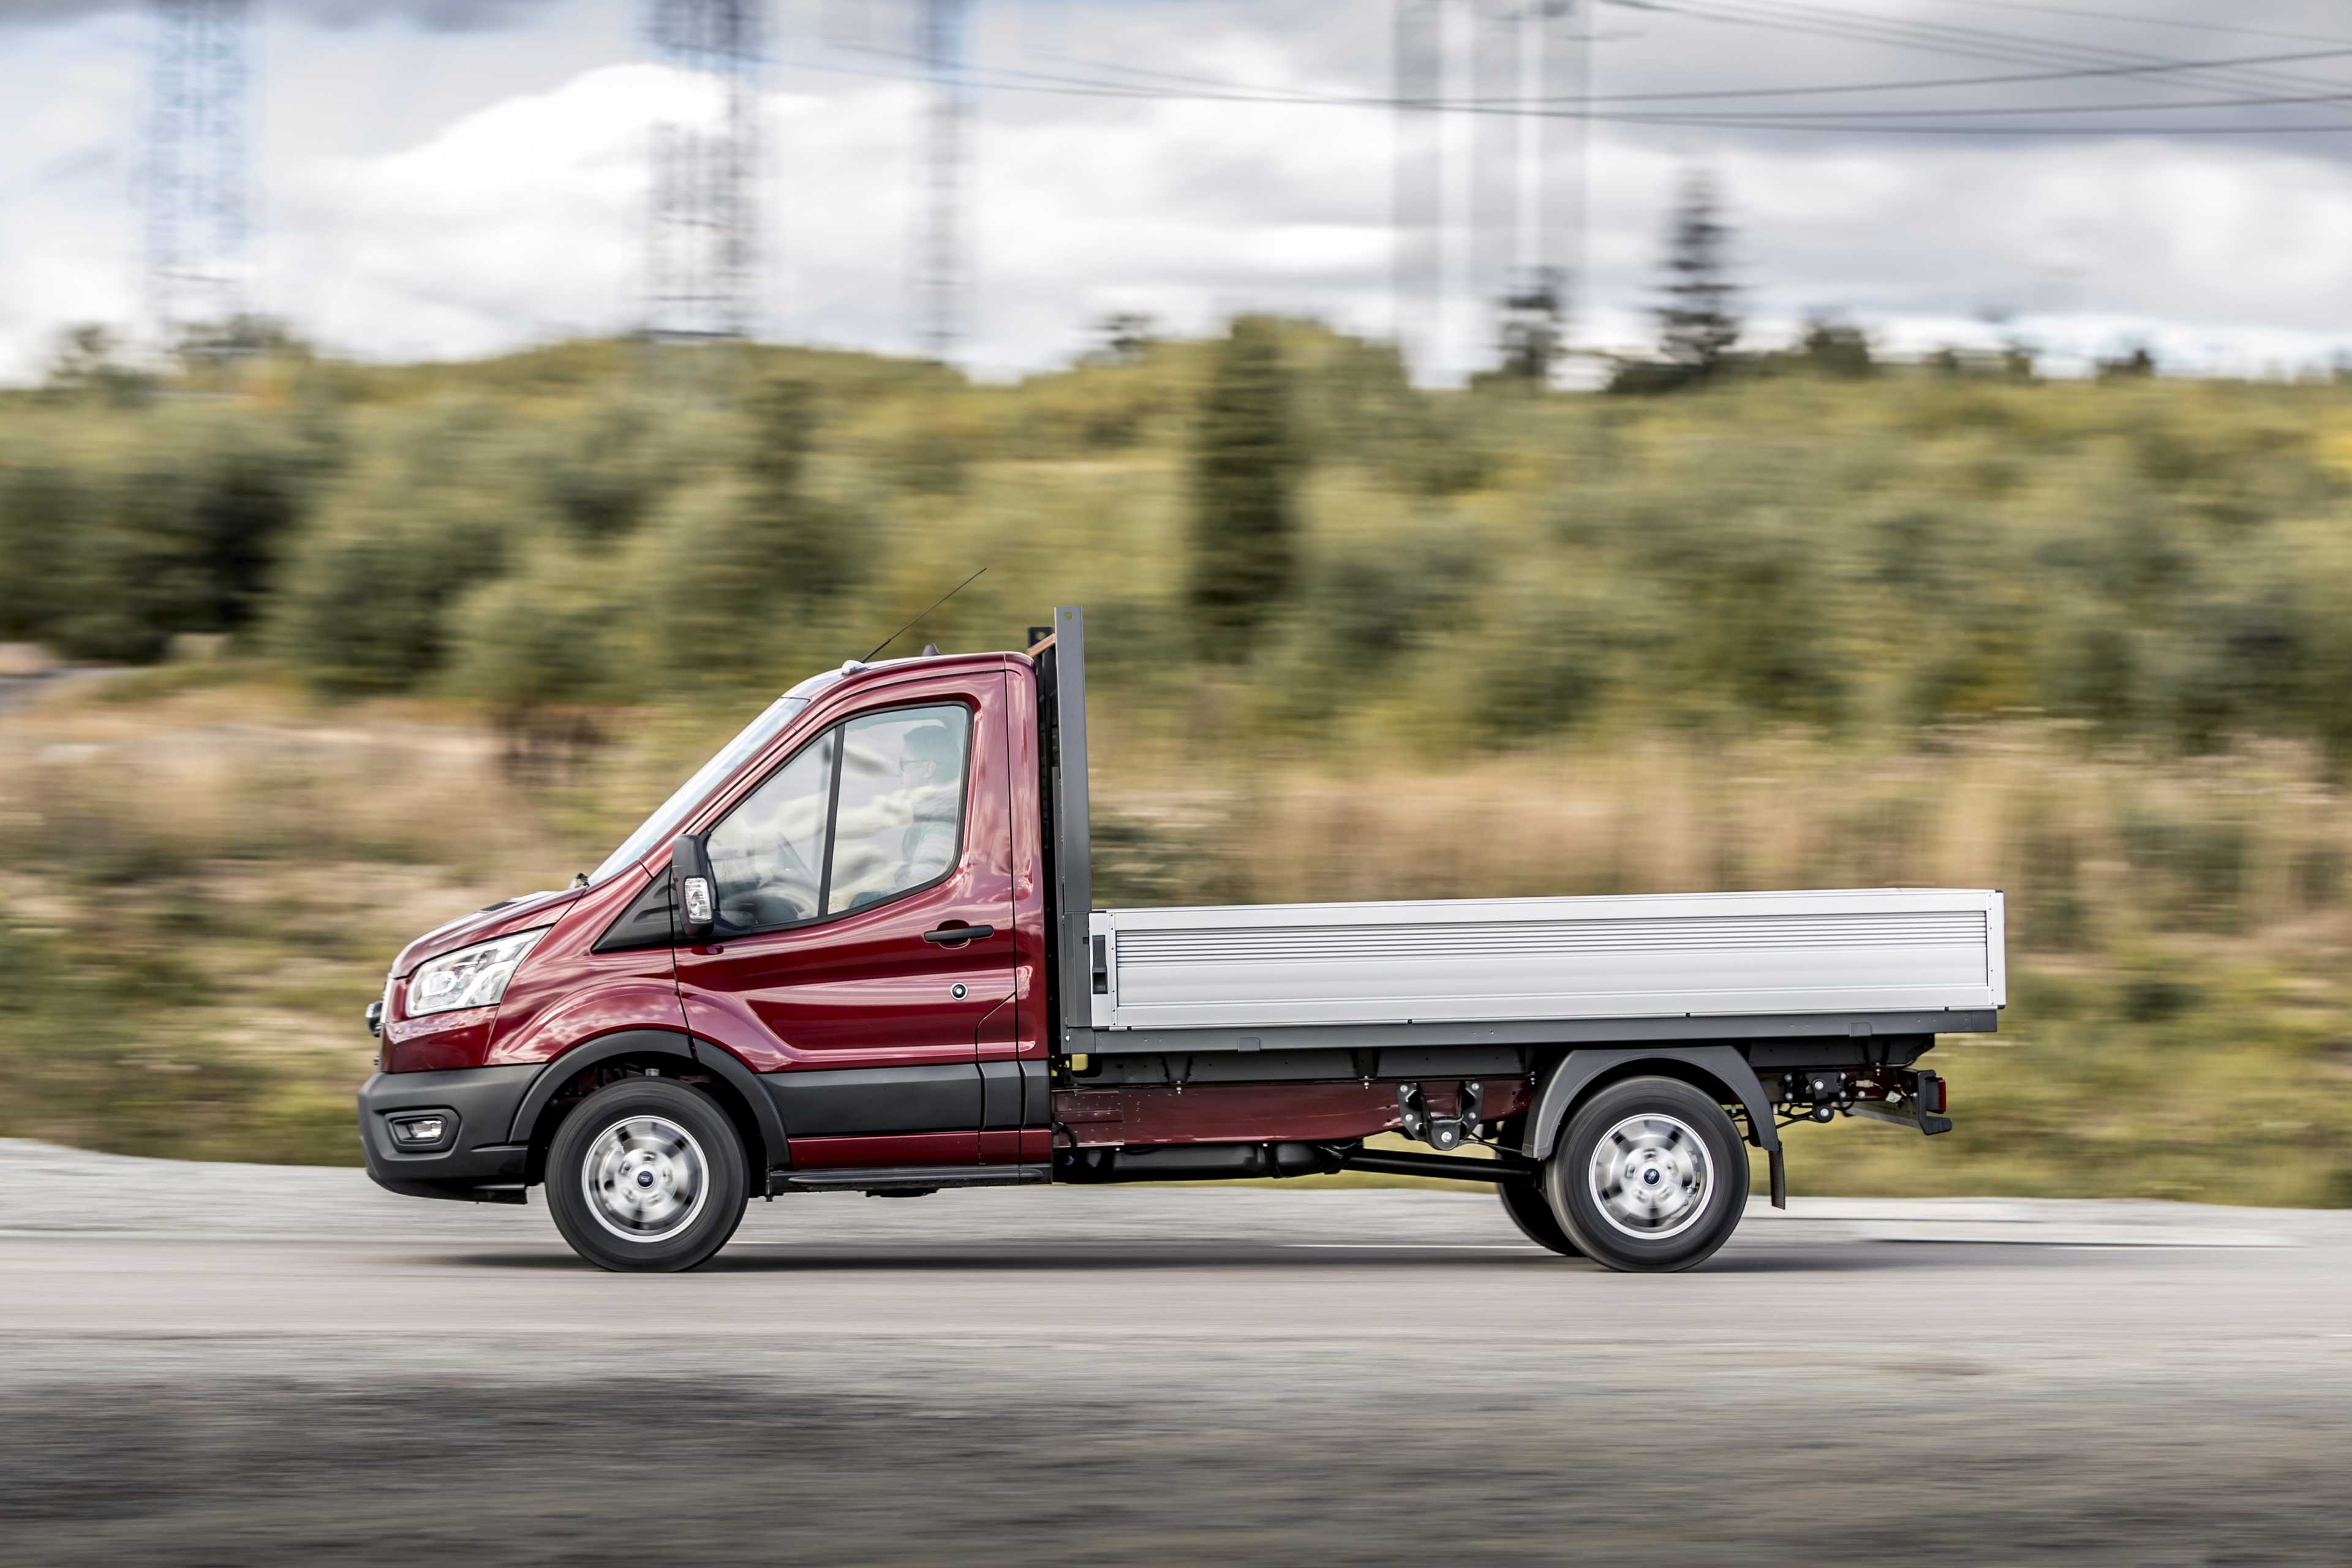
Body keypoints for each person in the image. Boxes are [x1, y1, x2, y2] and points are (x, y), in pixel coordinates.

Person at [894, 722, 960, 887]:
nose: (899, 773)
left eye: (904, 765)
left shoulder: (943, 823)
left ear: (929, 769)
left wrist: (855, 900)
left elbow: (915, 890)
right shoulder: (935, 814)